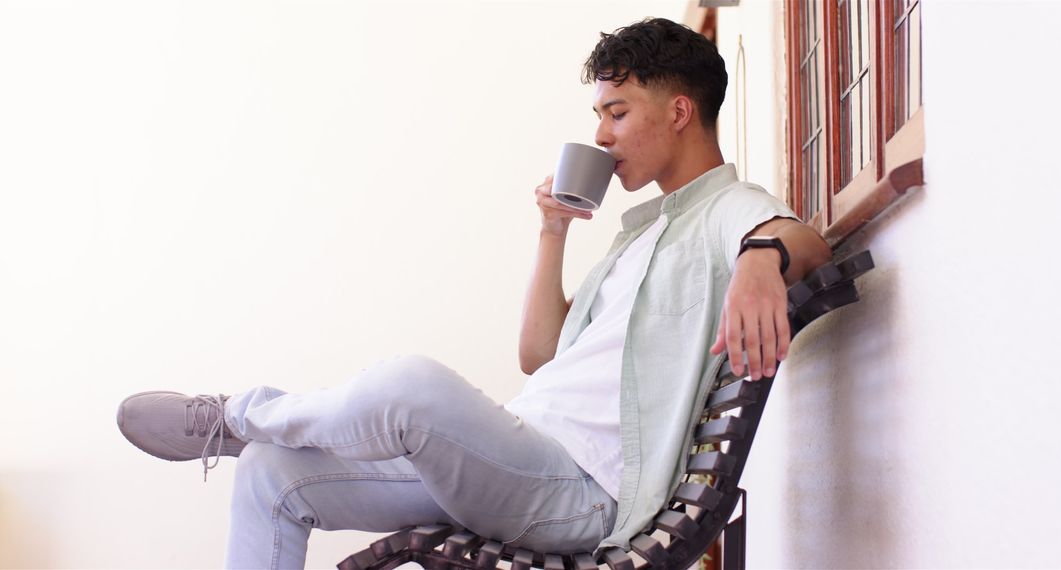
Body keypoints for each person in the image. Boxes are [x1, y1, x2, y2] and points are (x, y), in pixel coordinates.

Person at [117, 17, 831, 569]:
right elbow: (539, 356)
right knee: (271, 475)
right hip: (522, 458)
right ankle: (254, 434)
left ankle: (240, 415)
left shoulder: (726, 210)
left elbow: (802, 240)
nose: (601, 135)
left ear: (678, 112)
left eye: (616, 113)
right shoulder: (643, 233)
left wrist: (760, 259)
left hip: (581, 492)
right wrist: (553, 230)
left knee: (410, 384)